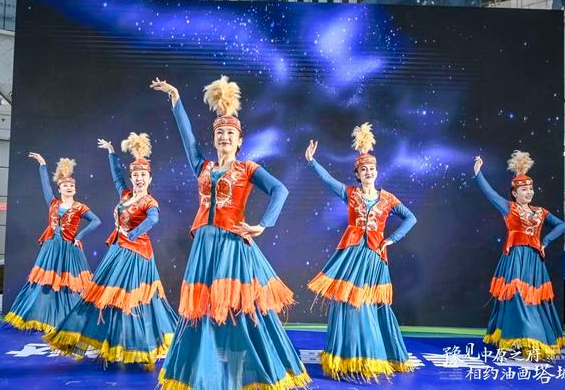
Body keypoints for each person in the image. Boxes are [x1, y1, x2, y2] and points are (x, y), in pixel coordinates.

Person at [151, 76, 310, 389]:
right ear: (214, 140)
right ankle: (203, 373)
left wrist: (263, 224)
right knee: (202, 307)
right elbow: (187, 138)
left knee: (240, 306)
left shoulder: (248, 169)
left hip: (231, 245)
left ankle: (250, 370)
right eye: (220, 133)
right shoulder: (203, 167)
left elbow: (279, 190)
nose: (224, 137)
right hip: (204, 246)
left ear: (239, 141)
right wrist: (176, 99)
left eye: (230, 134)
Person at [44, 134, 178, 367]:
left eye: (143, 175)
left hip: (136, 255)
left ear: (149, 178)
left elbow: (153, 219)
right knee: (105, 297)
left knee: (129, 300)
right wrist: (111, 153)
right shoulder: (126, 195)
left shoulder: (149, 202)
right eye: (135, 175)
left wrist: (133, 234)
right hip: (117, 251)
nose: (138, 179)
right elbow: (117, 177)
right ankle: (110, 342)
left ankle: (136, 345)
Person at [304, 123, 417, 382]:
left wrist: (392, 239)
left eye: (371, 169)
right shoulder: (351, 193)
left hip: (374, 257)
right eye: (363, 169)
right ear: (357, 174)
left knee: (370, 304)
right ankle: (349, 355)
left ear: (377, 172)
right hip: (352, 256)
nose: (368, 172)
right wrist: (312, 162)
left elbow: (410, 218)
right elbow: (328, 181)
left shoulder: (387, 198)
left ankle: (373, 355)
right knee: (348, 302)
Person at [474, 151, 565, 360]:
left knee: (534, 300)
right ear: (515, 193)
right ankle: (515, 340)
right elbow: (490, 193)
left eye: (531, 189)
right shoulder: (509, 208)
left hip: (534, 262)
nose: (529, 192)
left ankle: (533, 341)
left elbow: (561, 225)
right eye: (524, 189)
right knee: (515, 297)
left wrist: (545, 241)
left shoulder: (541, 212)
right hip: (515, 259)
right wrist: (478, 173)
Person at [4, 154, 100, 332]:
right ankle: (45, 317)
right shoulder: (53, 202)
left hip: (69, 248)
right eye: (65, 185)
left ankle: (70, 319)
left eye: (71, 186)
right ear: (60, 188)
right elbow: (45, 185)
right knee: (47, 282)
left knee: (69, 284)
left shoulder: (80, 207)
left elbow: (96, 221)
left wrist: (80, 236)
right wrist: (42, 165)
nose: (69, 187)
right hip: (51, 247)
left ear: (75, 190)